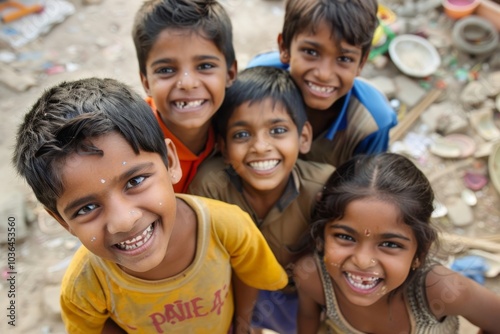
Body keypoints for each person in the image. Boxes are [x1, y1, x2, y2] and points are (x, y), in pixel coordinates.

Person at [12, 77, 288, 333]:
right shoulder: (85, 284)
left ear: (170, 162)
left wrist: (241, 325)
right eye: (86, 209)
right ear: (62, 222)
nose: (124, 220)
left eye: (135, 181)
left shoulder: (227, 226)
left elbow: (249, 276)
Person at [188, 66, 335, 334]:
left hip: (290, 295)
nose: (260, 146)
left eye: (277, 130)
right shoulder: (211, 186)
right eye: (242, 135)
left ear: (303, 137)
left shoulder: (323, 189)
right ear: (222, 145)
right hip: (230, 288)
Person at [293, 153, 500, 333]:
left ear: (419, 254)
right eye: (346, 237)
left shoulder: (442, 291)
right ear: (322, 235)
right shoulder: (312, 277)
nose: (363, 261)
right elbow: (308, 318)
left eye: (390, 244)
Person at [247, 0, 398, 167]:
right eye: (311, 52)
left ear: (361, 63)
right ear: (284, 48)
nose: (324, 75)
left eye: (344, 59)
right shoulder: (258, 77)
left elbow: (367, 182)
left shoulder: (372, 122)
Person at [132, 0, 237, 193]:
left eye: (205, 66)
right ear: (146, 82)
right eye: (166, 70)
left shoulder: (237, 122)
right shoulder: (132, 143)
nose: (187, 83)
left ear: (230, 73)